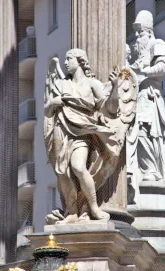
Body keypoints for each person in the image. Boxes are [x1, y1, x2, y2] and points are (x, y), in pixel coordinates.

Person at [44, 48, 122, 224]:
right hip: (62, 129)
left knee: (78, 167)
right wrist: (53, 103)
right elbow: (47, 109)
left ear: (80, 61)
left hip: (83, 132)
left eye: (69, 59)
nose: (65, 63)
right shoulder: (62, 84)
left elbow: (110, 110)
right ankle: (71, 211)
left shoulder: (92, 84)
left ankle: (93, 206)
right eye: (65, 59)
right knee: (62, 172)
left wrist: (116, 86)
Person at [128, 10, 165, 185]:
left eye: (141, 32)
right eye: (136, 33)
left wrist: (145, 71)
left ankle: (151, 171)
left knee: (146, 133)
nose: (137, 36)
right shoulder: (138, 57)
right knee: (137, 133)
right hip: (137, 98)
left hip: (150, 97)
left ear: (149, 32)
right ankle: (143, 170)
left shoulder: (157, 43)